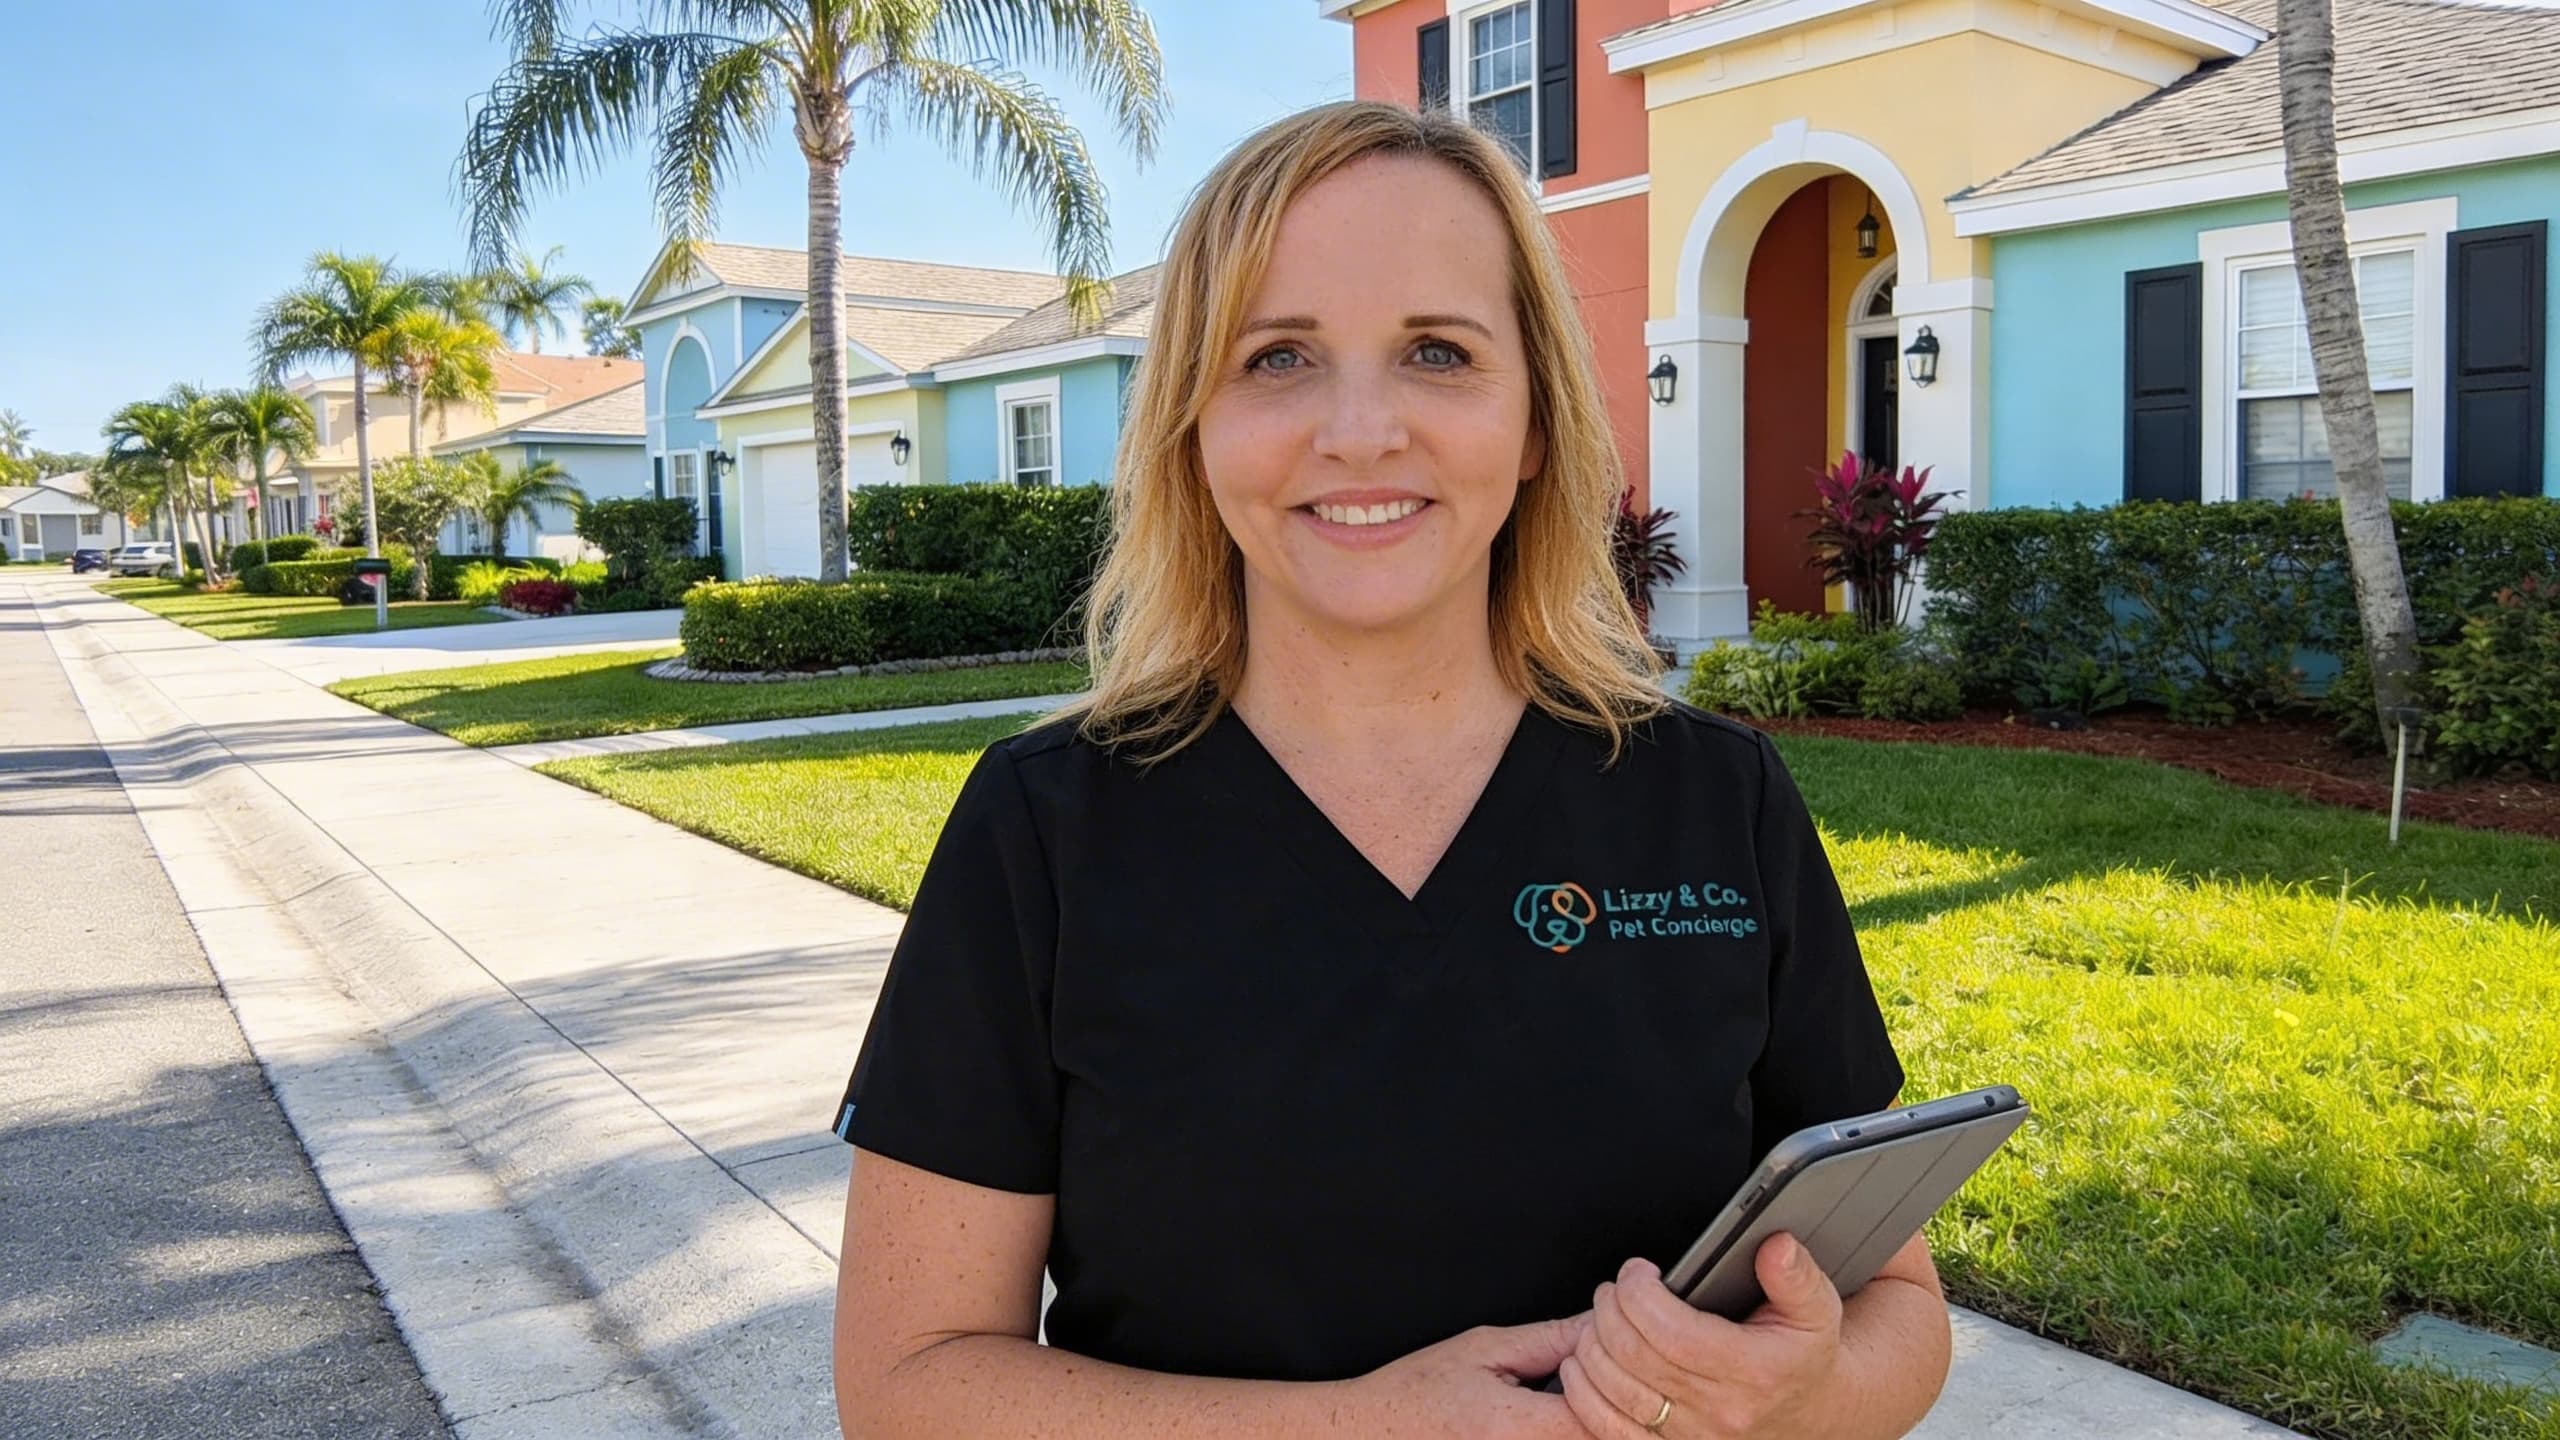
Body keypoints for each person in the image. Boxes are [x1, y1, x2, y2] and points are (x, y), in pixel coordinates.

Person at [830, 99, 1952, 1439]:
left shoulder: (1717, 803)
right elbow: (904, 1386)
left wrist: (1806, 1392)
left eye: (1436, 350)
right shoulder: (1043, 833)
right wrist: (1355, 1427)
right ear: (1192, 423)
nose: (1361, 432)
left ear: (1534, 420)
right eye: (1279, 357)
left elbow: (1901, 1308)